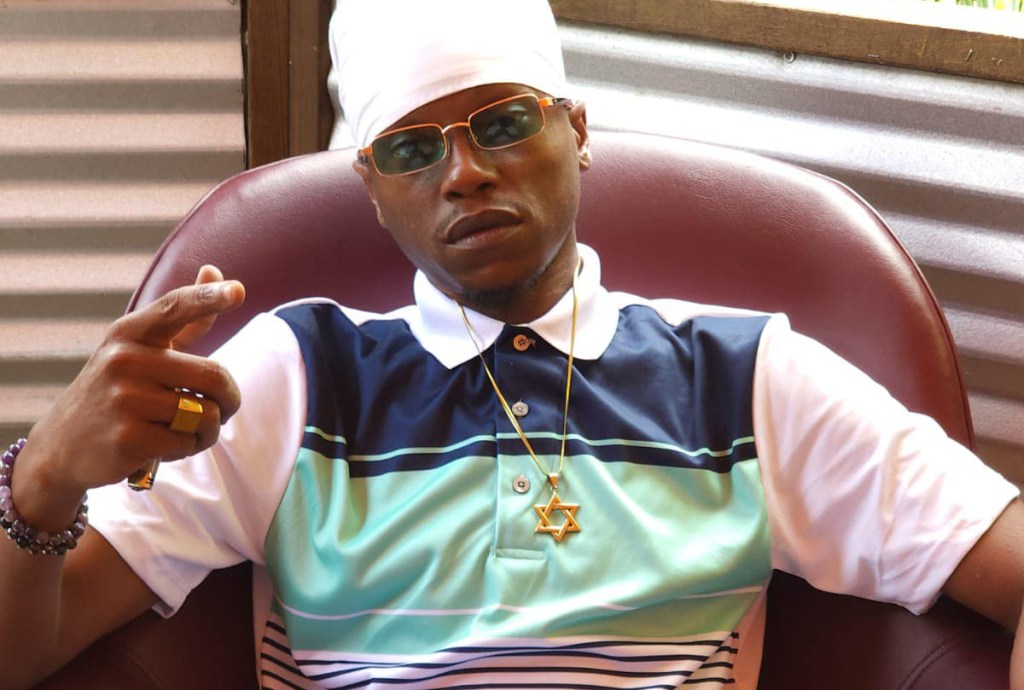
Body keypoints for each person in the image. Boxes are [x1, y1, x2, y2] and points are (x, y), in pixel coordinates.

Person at [2, 1, 1023, 688]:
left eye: (500, 124)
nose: (463, 174)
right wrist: (40, 481)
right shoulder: (292, 375)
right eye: (412, 147)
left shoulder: (746, 376)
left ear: (576, 131)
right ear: (372, 188)